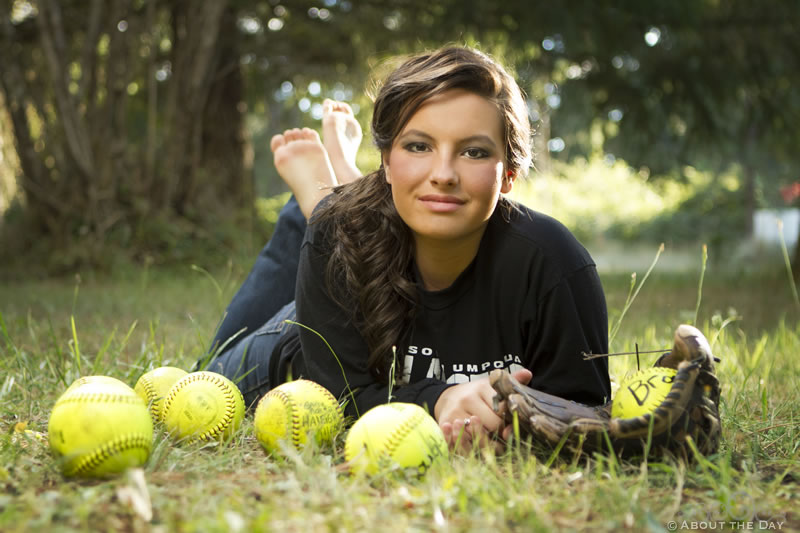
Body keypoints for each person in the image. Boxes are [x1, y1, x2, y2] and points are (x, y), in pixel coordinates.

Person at [202, 46, 611, 452]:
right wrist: (441, 401)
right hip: (299, 338)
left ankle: (339, 185)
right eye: (418, 146)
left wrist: (513, 426)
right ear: (386, 158)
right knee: (204, 376)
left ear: (508, 174)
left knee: (346, 219)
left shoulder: (554, 263)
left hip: (370, 235)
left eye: (474, 151)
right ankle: (315, 198)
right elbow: (341, 397)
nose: (444, 175)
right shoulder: (336, 239)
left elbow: (583, 408)